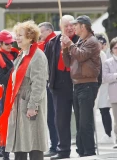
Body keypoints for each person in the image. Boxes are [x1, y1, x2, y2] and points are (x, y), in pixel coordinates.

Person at [0, 20, 48, 160]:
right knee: (20, 145)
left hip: (30, 105)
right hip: (18, 105)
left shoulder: (37, 56)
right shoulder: (22, 54)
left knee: (34, 143)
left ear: (30, 37)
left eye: (20, 35)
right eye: (16, 35)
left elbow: (39, 83)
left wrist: (32, 106)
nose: (16, 38)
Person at [61, 15, 101, 157]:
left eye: (76, 25)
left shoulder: (92, 41)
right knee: (79, 121)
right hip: (77, 85)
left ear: (83, 26)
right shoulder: (80, 41)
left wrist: (70, 45)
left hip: (88, 84)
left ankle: (89, 151)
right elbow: (68, 63)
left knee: (85, 121)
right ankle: (81, 150)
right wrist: (65, 48)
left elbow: (81, 56)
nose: (73, 28)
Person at [44, 15, 79, 159]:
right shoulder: (53, 42)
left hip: (77, 83)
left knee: (81, 117)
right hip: (59, 84)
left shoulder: (81, 40)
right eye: (66, 26)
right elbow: (46, 63)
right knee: (60, 119)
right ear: (60, 27)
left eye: (72, 25)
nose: (69, 28)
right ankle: (63, 149)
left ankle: (84, 148)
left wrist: (70, 44)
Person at [0, 30, 19, 160]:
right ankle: (5, 153)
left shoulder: (17, 53)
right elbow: (2, 79)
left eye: (11, 43)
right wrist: (14, 67)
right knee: (6, 124)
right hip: (7, 94)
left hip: (19, 92)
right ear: (0, 43)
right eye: (6, 44)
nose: (10, 46)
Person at [38, 22, 58, 157]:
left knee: (52, 117)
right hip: (49, 84)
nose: (40, 35)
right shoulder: (48, 43)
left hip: (52, 85)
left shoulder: (52, 42)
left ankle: (55, 146)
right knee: (51, 117)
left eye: (42, 32)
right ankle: (55, 145)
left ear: (49, 30)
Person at [103, 37, 117, 148]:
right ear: (111, 50)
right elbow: (105, 78)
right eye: (115, 48)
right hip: (115, 94)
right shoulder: (108, 62)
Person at [95, 34, 113, 143]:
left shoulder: (105, 55)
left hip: (105, 85)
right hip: (100, 85)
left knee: (104, 110)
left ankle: (108, 133)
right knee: (102, 110)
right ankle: (106, 134)